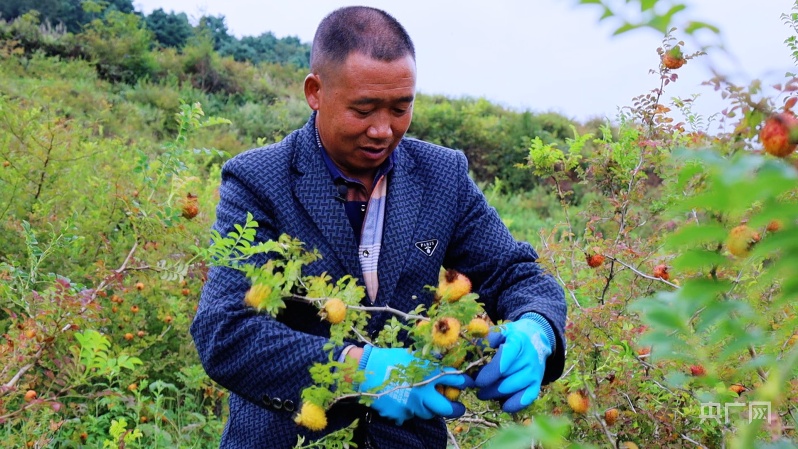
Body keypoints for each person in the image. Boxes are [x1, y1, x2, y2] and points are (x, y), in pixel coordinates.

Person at [191, 6, 567, 449]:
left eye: (400, 108)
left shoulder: (441, 176)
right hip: (287, 437)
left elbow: (515, 272)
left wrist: (537, 329)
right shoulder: (260, 181)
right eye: (363, 109)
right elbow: (225, 330)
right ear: (316, 91)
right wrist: (361, 368)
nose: (383, 130)